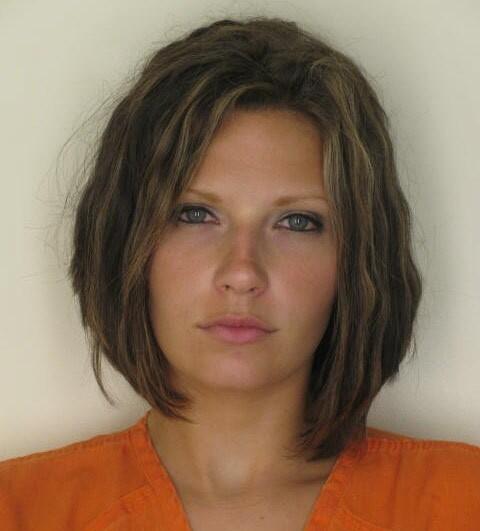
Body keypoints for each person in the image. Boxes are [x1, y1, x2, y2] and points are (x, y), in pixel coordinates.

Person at [1, 15, 479, 531]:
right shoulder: (19, 509)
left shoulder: (463, 504)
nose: (243, 273)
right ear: (125, 243)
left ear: (359, 261)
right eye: (195, 214)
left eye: (298, 222)